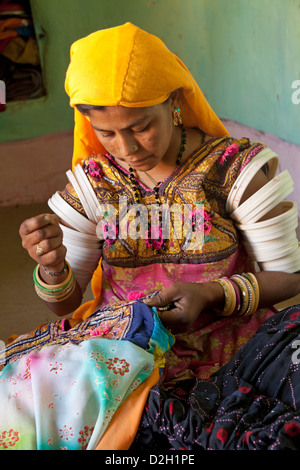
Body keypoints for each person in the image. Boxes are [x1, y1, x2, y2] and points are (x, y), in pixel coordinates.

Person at [1, 22, 300, 450]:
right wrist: (51, 267)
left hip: (230, 344)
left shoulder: (236, 171)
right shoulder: (93, 186)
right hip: (123, 356)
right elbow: (66, 303)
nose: (126, 148)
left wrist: (212, 294)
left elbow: (289, 278)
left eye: (140, 126)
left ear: (175, 103)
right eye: (106, 133)